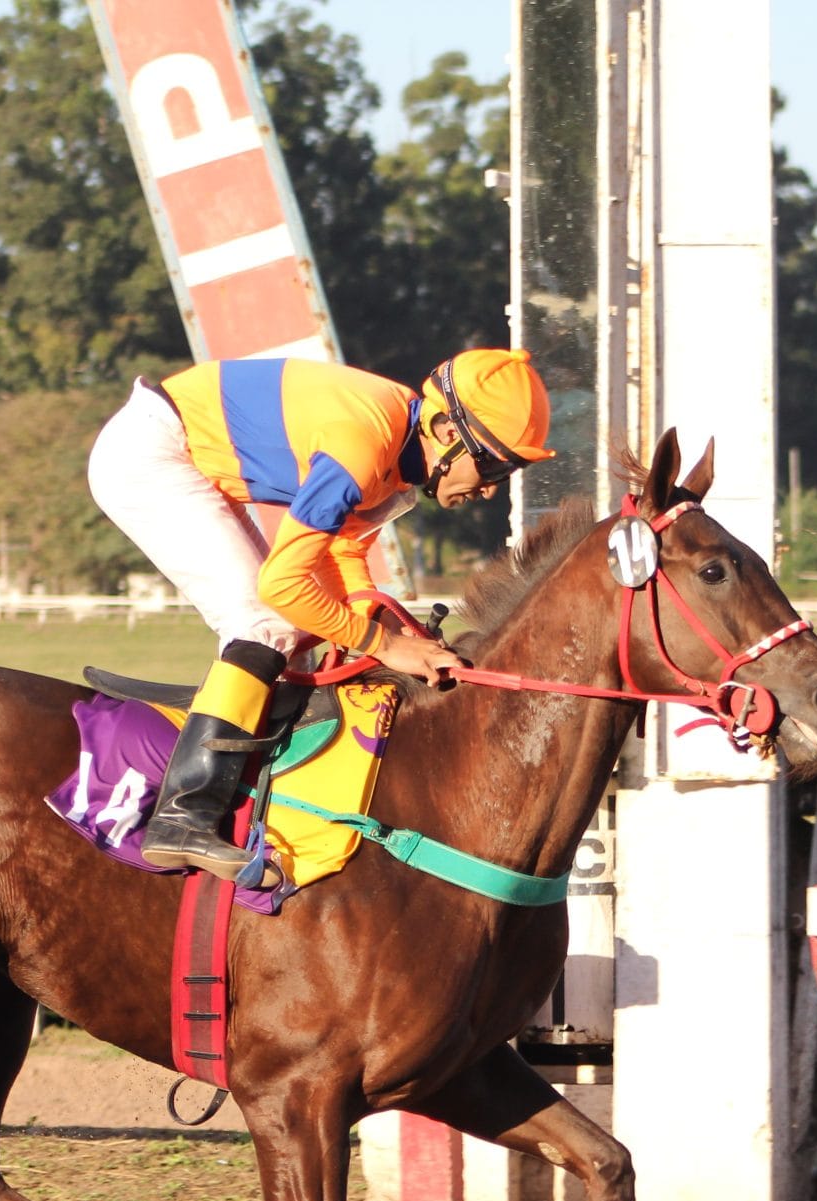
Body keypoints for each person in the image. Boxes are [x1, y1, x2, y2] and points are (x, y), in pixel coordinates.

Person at [85, 348, 556, 882]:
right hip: (150, 454)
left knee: (299, 630)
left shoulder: (399, 453)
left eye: (507, 469)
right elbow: (283, 582)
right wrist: (383, 645)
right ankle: (182, 815)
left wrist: (391, 626)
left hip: (184, 450)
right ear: (446, 428)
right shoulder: (365, 443)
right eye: (492, 463)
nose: (491, 486)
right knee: (265, 624)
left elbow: (344, 556)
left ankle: (249, 776)